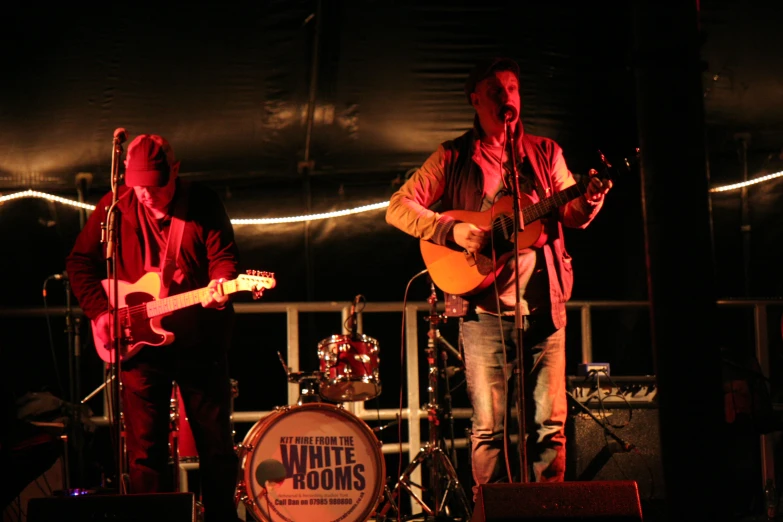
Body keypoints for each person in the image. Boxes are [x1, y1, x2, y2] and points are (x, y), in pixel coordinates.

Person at [385, 58, 613, 499]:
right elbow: (397, 206)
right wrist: (449, 229)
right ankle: (492, 510)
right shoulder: (453, 156)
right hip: (484, 313)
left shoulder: (545, 154)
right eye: (495, 90)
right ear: (475, 100)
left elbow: (571, 213)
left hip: (545, 308)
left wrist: (590, 199)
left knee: (550, 425)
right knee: (489, 429)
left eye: (512, 88)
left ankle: (547, 508)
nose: (506, 97)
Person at [65, 134, 241, 521]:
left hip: (200, 344)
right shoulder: (114, 207)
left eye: (155, 187)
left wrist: (220, 287)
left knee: (215, 447)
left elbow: (224, 258)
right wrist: (100, 313)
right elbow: (79, 264)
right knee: (144, 452)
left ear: (175, 172)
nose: (146, 195)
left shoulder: (202, 203)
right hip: (137, 348)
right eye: (138, 186)